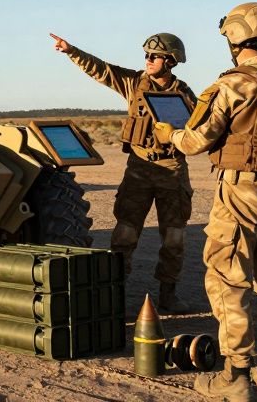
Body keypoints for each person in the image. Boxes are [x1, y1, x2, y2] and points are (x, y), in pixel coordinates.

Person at [153, 3, 257, 401]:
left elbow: (195, 140)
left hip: (240, 194)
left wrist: (169, 134)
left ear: (236, 37)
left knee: (229, 282)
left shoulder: (231, 86)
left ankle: (235, 377)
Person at [50, 31, 196, 313]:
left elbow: (200, 128)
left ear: (171, 61)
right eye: (146, 55)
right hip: (139, 169)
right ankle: (115, 291)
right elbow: (101, 70)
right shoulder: (133, 83)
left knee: (175, 238)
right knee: (125, 235)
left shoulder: (185, 94)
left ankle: (169, 293)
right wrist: (71, 51)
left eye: (154, 56)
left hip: (173, 169)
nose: (148, 60)